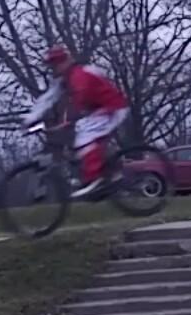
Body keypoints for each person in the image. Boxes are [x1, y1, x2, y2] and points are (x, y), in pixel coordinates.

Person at [23, 45, 129, 199]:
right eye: (52, 65)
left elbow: (79, 103)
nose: (54, 68)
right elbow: (48, 98)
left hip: (113, 107)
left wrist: (68, 122)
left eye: (56, 64)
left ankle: (94, 179)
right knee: (81, 136)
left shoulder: (79, 76)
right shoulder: (66, 78)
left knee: (85, 136)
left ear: (65, 62)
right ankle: (105, 172)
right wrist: (30, 119)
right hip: (98, 109)